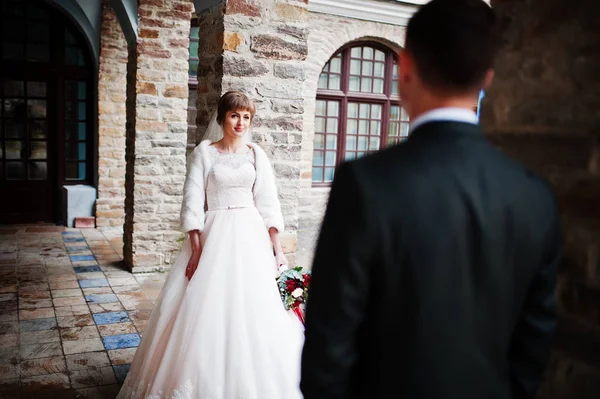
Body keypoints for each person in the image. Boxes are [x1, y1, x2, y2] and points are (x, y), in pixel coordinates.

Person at [300, 1, 561, 398]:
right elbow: (536, 341)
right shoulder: (534, 194)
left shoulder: (365, 184)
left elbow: (329, 341)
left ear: (405, 69)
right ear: (487, 78)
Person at [117, 91, 304, 399]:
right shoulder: (205, 152)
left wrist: (279, 250)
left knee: (254, 306)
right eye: (235, 115)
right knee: (203, 303)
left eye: (246, 117)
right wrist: (196, 248)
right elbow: (192, 200)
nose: (241, 122)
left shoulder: (257, 155)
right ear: (222, 118)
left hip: (250, 236)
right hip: (214, 232)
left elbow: (268, 203)